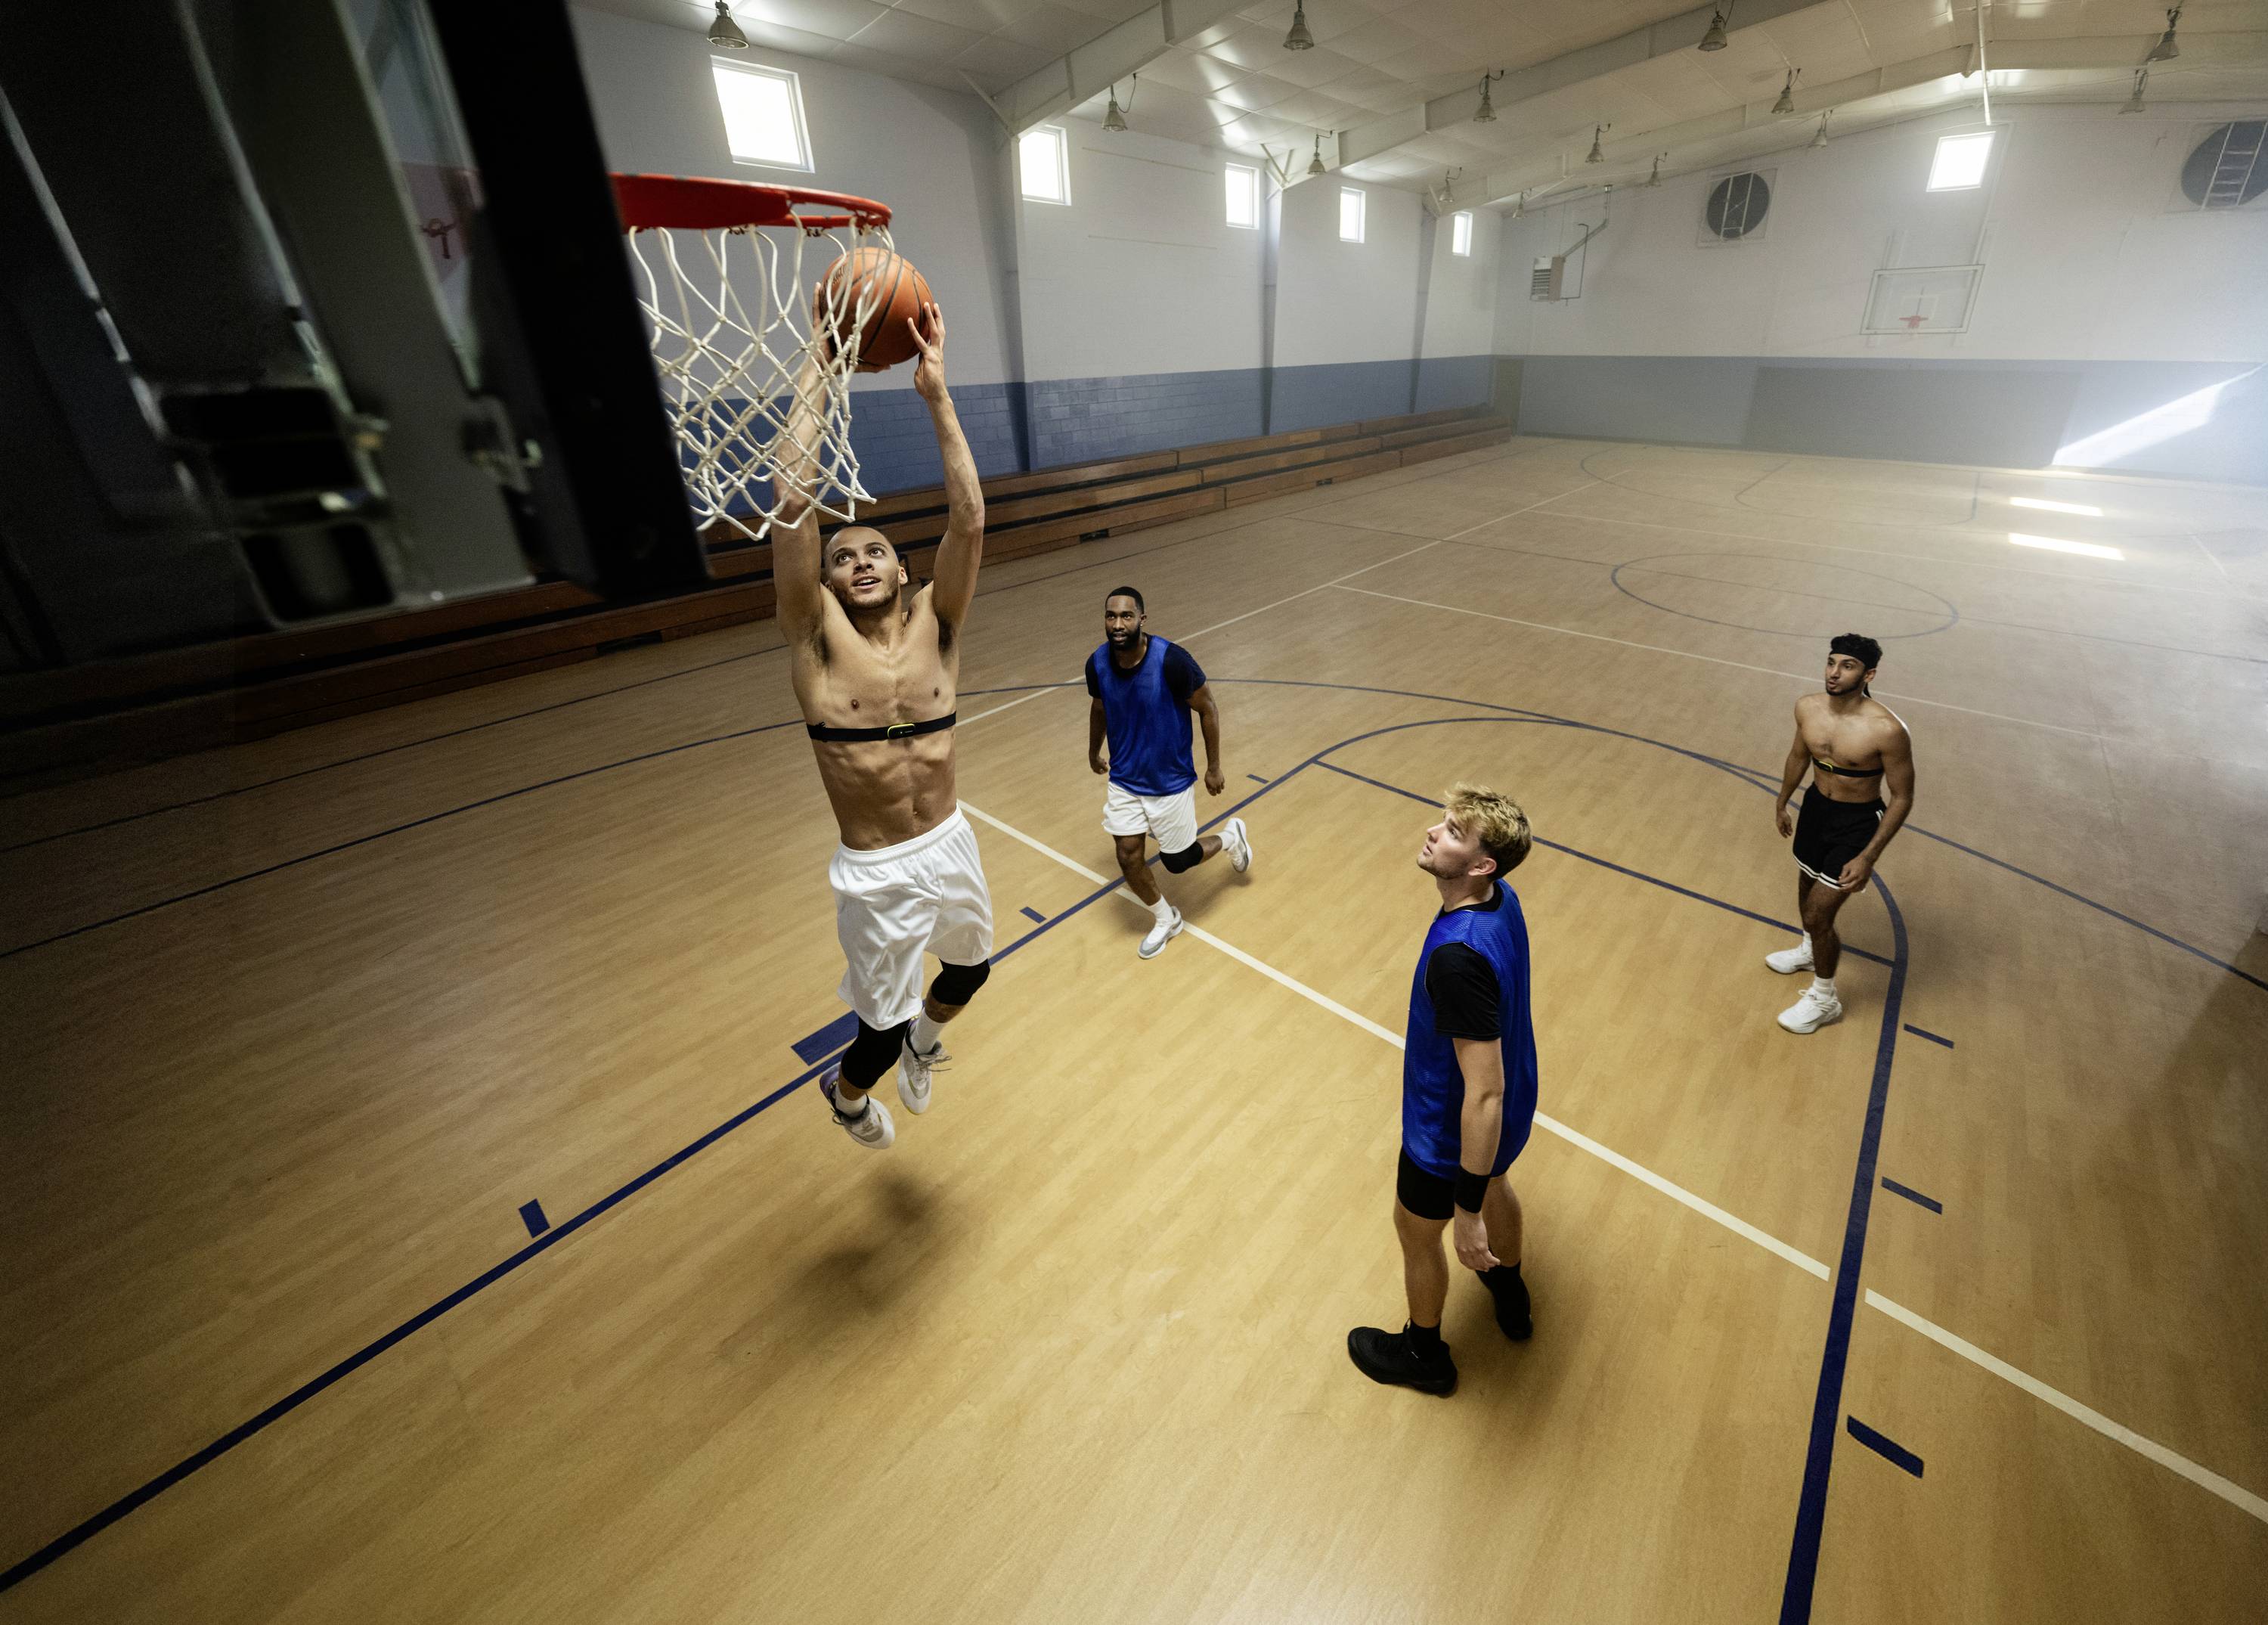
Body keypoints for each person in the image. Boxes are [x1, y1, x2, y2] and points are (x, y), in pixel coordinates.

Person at [770, 300, 992, 1149]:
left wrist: (937, 396)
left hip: (950, 838)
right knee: (877, 1033)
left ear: (904, 571)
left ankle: (927, 1044)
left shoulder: (941, 621)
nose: (858, 561)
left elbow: (970, 520)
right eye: (842, 557)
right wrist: (820, 364)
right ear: (827, 584)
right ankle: (847, 1096)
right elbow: (793, 503)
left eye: (874, 552)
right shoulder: (815, 640)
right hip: (877, 871)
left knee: (969, 968)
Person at [1347, 786, 1538, 1397]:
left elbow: (1482, 1094)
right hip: (1510, 1108)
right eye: (1445, 822)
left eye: (1454, 832)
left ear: (1482, 865)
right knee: (1499, 1181)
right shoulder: (1502, 898)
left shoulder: (1457, 957)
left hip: (1450, 1134)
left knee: (1416, 1231)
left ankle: (1424, 1353)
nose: (1433, 831)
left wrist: (1467, 1211)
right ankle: (1509, 1290)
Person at [1086, 588, 1250, 957]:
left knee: (1178, 861)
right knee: (1128, 854)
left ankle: (1231, 838)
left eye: (1126, 616)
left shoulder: (1172, 661)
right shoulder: (1097, 663)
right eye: (1111, 616)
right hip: (1125, 780)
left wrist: (1214, 767)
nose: (1118, 624)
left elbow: (1207, 708)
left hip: (1170, 782)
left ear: (1142, 619)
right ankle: (1166, 918)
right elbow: (1099, 708)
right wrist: (1094, 751)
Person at [1766, 633, 1916, 1034]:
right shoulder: (1807, 707)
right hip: (1816, 809)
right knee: (1806, 884)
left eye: (1847, 666)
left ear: (1868, 675)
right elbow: (1798, 755)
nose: (1834, 673)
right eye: (1832, 662)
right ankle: (1810, 950)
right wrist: (1782, 801)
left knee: (1819, 914)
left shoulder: (1887, 729)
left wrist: (1868, 856)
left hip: (1858, 821)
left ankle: (1825, 999)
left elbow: (1903, 797)